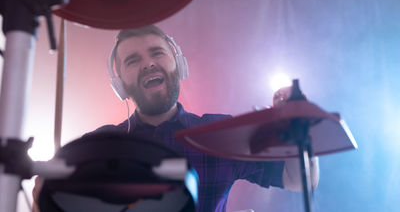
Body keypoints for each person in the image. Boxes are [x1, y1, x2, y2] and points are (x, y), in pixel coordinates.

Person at [33, 25, 319, 212]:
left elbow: (299, 179)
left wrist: (297, 125)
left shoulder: (219, 133)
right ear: (120, 84)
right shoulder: (96, 148)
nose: (148, 63)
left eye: (157, 53)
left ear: (177, 64)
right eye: (133, 60)